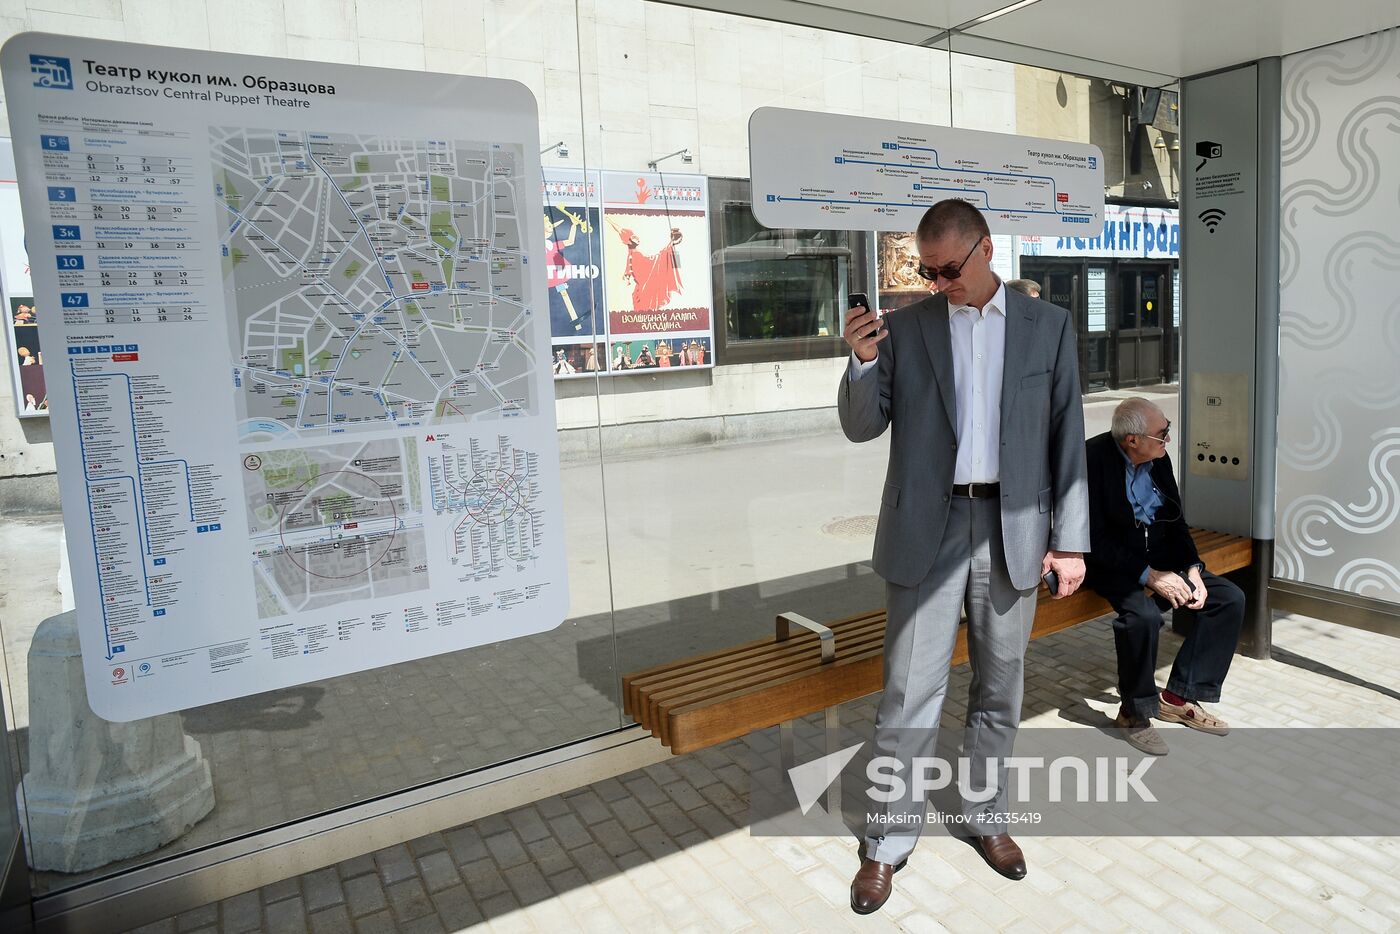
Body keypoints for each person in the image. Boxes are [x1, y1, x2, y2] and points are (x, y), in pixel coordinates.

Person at [839, 199, 1089, 914]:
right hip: (929, 528)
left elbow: (1067, 434)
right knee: (907, 697)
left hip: (1014, 527)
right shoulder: (907, 329)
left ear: (986, 251)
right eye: (928, 270)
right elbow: (863, 425)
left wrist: (1071, 541)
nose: (938, 283)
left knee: (999, 689)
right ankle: (886, 842)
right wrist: (860, 361)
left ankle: (985, 816)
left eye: (949, 269)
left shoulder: (1049, 326)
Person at [1083, 398, 1244, 756]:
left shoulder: (1157, 459)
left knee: (1227, 599)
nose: (1167, 439)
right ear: (1132, 440)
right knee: (1143, 617)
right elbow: (1094, 540)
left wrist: (1192, 569)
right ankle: (1134, 714)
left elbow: (1175, 522)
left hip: (1158, 557)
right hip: (1112, 563)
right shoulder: (1092, 460)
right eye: (1162, 433)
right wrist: (1149, 576)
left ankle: (1178, 697)